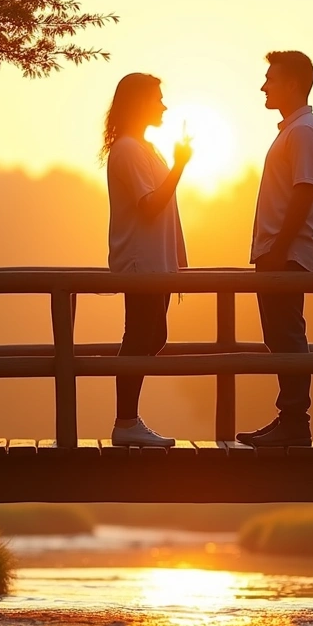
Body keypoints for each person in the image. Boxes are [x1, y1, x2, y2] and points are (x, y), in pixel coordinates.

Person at [237, 51, 313, 448]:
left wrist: (278, 248)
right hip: (280, 252)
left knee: (287, 335)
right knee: (280, 336)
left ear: (293, 84)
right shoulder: (295, 130)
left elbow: (304, 191)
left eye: (271, 79)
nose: (264, 86)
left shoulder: (303, 132)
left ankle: (295, 423)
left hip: (286, 254)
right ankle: (289, 419)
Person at [101, 73, 192, 447]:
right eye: (157, 99)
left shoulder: (144, 147)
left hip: (158, 264)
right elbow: (150, 205)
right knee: (139, 337)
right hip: (142, 263)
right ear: (139, 103)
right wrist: (180, 166)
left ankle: (128, 420)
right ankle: (126, 422)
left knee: (153, 336)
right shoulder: (128, 150)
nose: (163, 106)